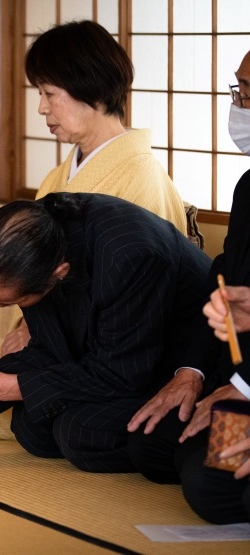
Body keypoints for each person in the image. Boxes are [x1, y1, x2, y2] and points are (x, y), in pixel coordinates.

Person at [0, 20, 192, 439]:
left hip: (114, 356)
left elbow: (137, 306)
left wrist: (28, 341)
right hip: (57, 346)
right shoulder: (58, 179)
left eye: (49, 93)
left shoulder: (142, 179)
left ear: (91, 89)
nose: (41, 108)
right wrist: (26, 329)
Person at [0, 192, 211, 472]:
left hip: (185, 360)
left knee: (80, 433)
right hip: (113, 356)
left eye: (10, 302)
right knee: (32, 427)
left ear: (59, 273)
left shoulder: (129, 254)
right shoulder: (39, 233)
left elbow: (120, 373)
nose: (0, 307)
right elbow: (53, 349)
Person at [125, 50, 250, 523]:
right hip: (234, 376)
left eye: (247, 93)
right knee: (151, 444)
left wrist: (245, 387)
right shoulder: (249, 187)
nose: (238, 105)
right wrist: (191, 373)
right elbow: (221, 280)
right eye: (238, 89)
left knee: (206, 481)